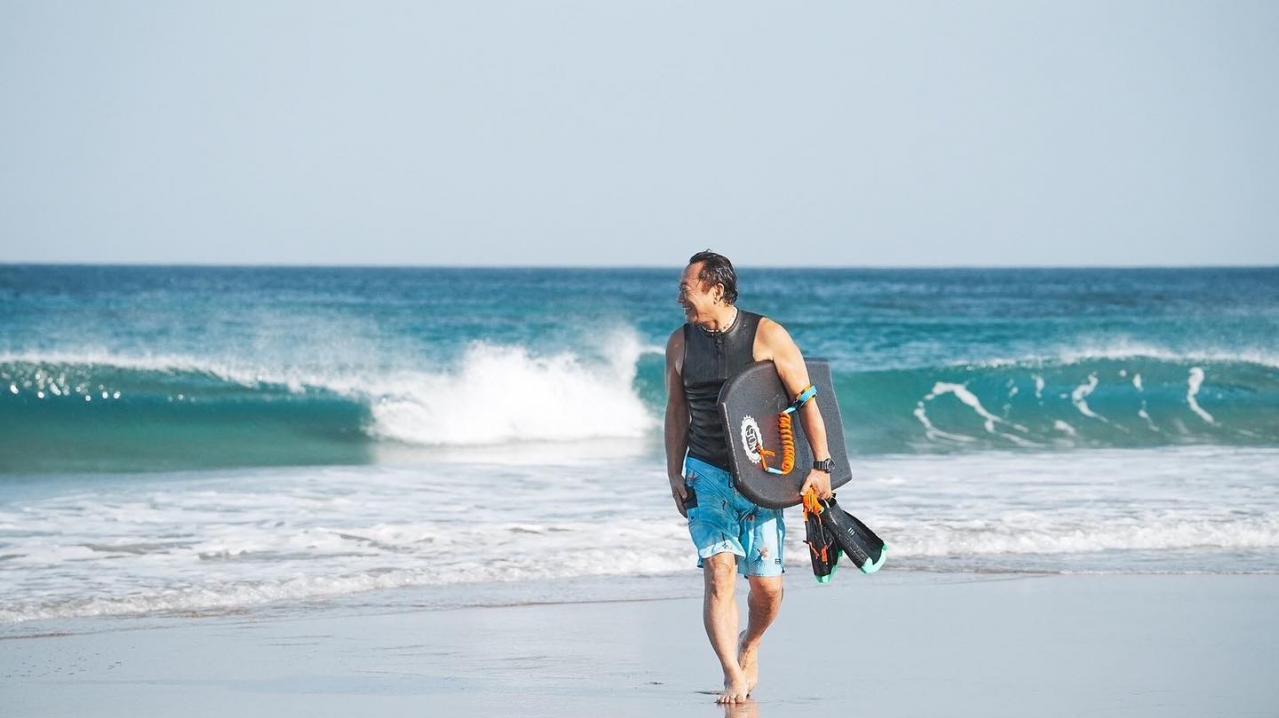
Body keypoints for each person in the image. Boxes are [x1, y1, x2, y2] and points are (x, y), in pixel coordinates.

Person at [665, 250, 835, 705]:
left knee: (769, 589)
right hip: (706, 473)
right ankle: (730, 674)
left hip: (760, 476)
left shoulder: (768, 335)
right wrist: (673, 473)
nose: (680, 297)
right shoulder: (680, 343)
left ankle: (751, 644)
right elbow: (676, 411)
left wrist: (821, 466)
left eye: (687, 288)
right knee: (720, 573)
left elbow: (806, 401)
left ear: (715, 289)